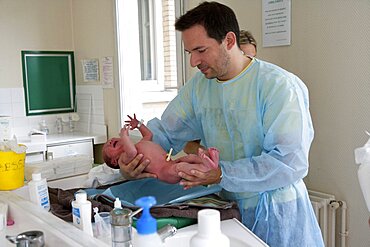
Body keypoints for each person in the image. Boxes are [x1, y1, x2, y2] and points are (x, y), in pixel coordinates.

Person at [118, 2, 324, 246]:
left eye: (201, 50)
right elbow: (163, 133)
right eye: (189, 53)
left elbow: (289, 162)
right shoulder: (199, 87)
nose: (193, 61)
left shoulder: (279, 87)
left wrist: (221, 173)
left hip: (277, 214)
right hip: (226, 212)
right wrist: (132, 160)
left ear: (228, 40)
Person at [183, 29, 258, 155]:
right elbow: (187, 143)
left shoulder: (266, 88)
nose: (247, 61)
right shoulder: (203, 88)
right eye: (243, 55)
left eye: (252, 57)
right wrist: (209, 156)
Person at [102, 114, 219, 184]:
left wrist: (138, 125)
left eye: (110, 140)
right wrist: (124, 136)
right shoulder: (124, 159)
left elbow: (149, 135)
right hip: (166, 172)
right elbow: (131, 152)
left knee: (189, 158)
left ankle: (208, 162)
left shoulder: (140, 144)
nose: (110, 141)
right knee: (181, 167)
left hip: (170, 163)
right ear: (114, 161)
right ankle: (206, 167)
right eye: (108, 145)